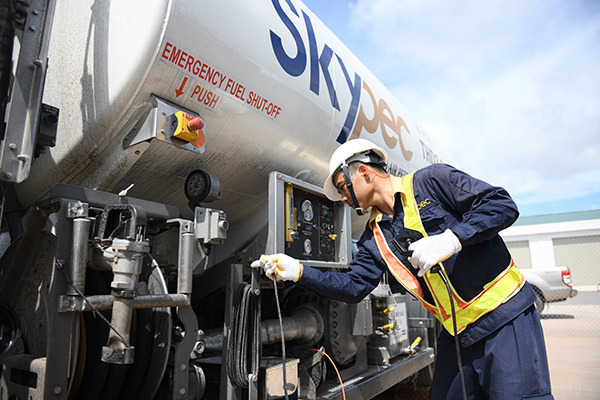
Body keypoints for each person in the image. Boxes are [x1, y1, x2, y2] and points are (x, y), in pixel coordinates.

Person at [252, 138, 553, 399]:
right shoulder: (374, 238)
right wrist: (299, 271)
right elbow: (354, 287)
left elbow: (501, 205)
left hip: (504, 316)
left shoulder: (432, 181)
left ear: (364, 173)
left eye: (344, 188)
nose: (343, 199)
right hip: (458, 333)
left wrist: (452, 239)